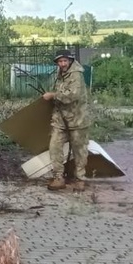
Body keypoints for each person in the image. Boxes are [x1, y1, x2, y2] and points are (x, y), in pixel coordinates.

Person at [42, 50, 89, 191]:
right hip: (60, 119)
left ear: (70, 61)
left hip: (77, 119)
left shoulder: (76, 75)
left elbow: (72, 95)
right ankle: (58, 177)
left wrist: (53, 95)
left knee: (79, 151)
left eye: (65, 61)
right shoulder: (59, 74)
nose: (62, 64)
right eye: (60, 61)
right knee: (54, 147)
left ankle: (80, 180)